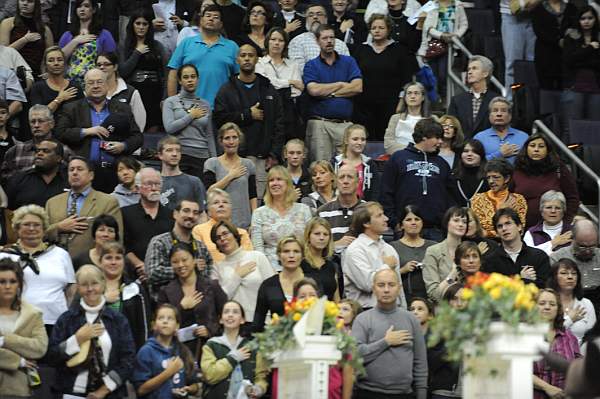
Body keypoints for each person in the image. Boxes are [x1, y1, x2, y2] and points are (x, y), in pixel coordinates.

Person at [47, 265, 136, 399]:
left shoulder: (118, 320)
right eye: (84, 285)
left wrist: (102, 391)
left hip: (110, 394)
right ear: (78, 287)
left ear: (103, 284)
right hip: (70, 393)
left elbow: (128, 360)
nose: (90, 289)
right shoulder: (66, 319)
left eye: (94, 283)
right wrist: (76, 339)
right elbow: (52, 357)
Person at [214, 44, 284, 202]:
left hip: (262, 157)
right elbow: (219, 120)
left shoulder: (268, 89)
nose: (247, 58)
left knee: (259, 201)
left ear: (257, 59)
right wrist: (247, 115)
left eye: (251, 55)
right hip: (234, 157)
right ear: (237, 60)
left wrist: (274, 153)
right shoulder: (226, 90)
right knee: (232, 201)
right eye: (243, 55)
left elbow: (279, 124)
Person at [54, 68, 143, 193]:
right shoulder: (72, 108)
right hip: (84, 173)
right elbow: (60, 133)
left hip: (115, 173)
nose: (95, 86)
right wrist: (86, 131)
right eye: (91, 83)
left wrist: (123, 146)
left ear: (107, 85)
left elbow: (137, 137)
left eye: (99, 82)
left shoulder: (122, 108)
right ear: (84, 86)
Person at [351, 268, 428, 399]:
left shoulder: (411, 320)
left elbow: (420, 362)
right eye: (381, 285)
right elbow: (354, 357)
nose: (386, 290)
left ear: (399, 288)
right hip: (368, 393)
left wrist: (421, 394)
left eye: (391, 285)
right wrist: (386, 342)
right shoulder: (362, 319)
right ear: (373, 288)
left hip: (404, 394)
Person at [380, 117, 452, 241]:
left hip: (435, 230)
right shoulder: (398, 158)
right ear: (425, 137)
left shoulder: (442, 163)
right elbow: (386, 192)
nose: (440, 142)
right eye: (437, 137)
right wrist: (394, 221)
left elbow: (449, 196)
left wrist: (443, 222)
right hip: (404, 227)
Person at [353, 14, 418, 142]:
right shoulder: (361, 50)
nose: (377, 30)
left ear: (388, 29)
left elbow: (406, 79)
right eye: (374, 28)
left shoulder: (400, 50)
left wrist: (401, 101)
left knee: (387, 138)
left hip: (391, 104)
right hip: (364, 105)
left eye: (381, 28)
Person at [303, 24, 362, 163]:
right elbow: (314, 90)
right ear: (317, 41)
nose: (329, 41)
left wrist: (332, 94)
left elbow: (358, 87)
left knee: (348, 167)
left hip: (345, 125)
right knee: (321, 168)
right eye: (325, 38)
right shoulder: (311, 65)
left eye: (332, 37)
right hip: (320, 124)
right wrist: (340, 84)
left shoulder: (348, 61)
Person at [45, 156, 123, 260]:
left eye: (80, 169)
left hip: (90, 264)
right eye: (71, 170)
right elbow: (41, 234)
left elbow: (116, 239)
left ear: (91, 175)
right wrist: (59, 227)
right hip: (55, 263)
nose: (75, 173)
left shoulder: (108, 202)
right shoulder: (52, 202)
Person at [157, 243, 227, 355]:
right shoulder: (165, 291)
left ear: (194, 260)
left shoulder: (212, 286)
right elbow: (161, 325)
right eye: (175, 262)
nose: (180, 265)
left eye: (184, 260)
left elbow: (226, 314)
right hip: (179, 351)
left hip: (212, 349)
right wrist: (181, 307)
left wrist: (211, 330)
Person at [167, 5, 239, 108]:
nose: (211, 19)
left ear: (221, 24)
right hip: (189, 107)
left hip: (223, 109)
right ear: (201, 20)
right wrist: (172, 104)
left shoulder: (232, 47)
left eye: (216, 17)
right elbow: (173, 74)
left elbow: (240, 78)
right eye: (208, 15)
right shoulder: (186, 43)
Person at [146, 199, 214, 301]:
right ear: (175, 214)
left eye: (195, 213)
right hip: (167, 307)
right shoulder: (160, 242)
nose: (191, 216)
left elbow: (208, 279)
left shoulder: (201, 248)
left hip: (198, 305)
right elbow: (152, 274)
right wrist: (189, 268)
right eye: (186, 211)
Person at [0, 258, 48, 399]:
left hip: (17, 388)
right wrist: (18, 361)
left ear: (19, 284)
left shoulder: (33, 314)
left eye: (13, 281)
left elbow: (40, 348)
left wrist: (5, 340)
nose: (7, 286)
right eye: (2, 282)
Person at [202, 300, 269, 398]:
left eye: (235, 312)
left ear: (242, 320)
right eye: (226, 312)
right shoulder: (211, 345)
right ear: (220, 319)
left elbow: (261, 376)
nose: (230, 315)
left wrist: (259, 388)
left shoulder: (253, 346)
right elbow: (209, 375)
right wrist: (232, 358)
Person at [342, 202, 402, 309]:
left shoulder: (389, 248)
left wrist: (403, 311)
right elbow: (367, 284)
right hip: (365, 312)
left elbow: (398, 287)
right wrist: (387, 266)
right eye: (379, 215)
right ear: (366, 223)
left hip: (393, 310)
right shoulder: (355, 250)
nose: (386, 218)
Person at [251, 166, 312, 270]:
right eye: (271, 180)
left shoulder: (304, 210)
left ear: (288, 183)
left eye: (279, 179)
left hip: (301, 267)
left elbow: (309, 243)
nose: (275, 183)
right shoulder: (259, 213)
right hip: (270, 268)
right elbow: (258, 249)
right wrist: (268, 271)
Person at [133, 303, 200, 398]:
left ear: (177, 326)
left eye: (170, 318)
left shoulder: (183, 350)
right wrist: (169, 372)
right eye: (161, 318)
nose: (165, 321)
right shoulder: (146, 351)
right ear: (154, 325)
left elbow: (195, 384)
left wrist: (190, 389)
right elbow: (141, 390)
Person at [211, 220, 275, 320]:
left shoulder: (257, 256)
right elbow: (220, 300)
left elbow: (273, 290)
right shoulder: (217, 268)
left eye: (225, 234)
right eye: (218, 238)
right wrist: (237, 276)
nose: (222, 239)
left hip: (264, 321)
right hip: (234, 325)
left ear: (235, 235)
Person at [513, 133, 579, 228]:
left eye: (541, 146)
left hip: (554, 228)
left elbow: (572, 198)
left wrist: (566, 222)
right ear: (526, 149)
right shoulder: (517, 169)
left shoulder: (559, 169)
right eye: (532, 146)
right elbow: (508, 196)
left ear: (548, 150)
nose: (536, 149)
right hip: (522, 228)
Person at [163, 64, 216, 179]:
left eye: (193, 77)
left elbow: (209, 135)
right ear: (180, 81)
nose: (190, 80)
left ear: (197, 79)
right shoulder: (170, 102)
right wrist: (191, 116)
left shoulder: (205, 104)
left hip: (202, 156)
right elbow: (169, 128)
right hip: (179, 155)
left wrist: (214, 161)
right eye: (186, 77)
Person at [97, 241, 151, 350]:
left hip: (127, 352)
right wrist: (103, 300)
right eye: (108, 258)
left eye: (118, 258)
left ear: (124, 261)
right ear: (100, 262)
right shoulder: (92, 289)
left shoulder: (135, 290)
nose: (113, 262)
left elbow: (144, 328)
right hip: (97, 351)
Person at [119, 9, 167, 131]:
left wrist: (165, 97)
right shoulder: (124, 46)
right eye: (138, 23)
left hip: (155, 95)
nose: (141, 27)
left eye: (145, 24)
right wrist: (137, 53)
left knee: (153, 131)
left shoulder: (157, 46)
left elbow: (166, 74)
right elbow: (123, 72)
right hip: (134, 93)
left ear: (149, 26)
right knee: (134, 130)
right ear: (132, 25)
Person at [203, 123, 257, 229]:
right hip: (219, 225)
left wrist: (254, 221)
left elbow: (253, 195)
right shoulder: (212, 163)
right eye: (227, 138)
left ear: (239, 140)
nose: (231, 142)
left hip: (244, 223)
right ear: (221, 141)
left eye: (234, 137)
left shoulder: (248, 164)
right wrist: (230, 176)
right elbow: (209, 192)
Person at [255, 27, 305, 142]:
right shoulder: (259, 63)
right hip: (267, 109)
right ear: (267, 42)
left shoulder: (293, 65)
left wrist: (277, 84)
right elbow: (265, 84)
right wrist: (290, 82)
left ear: (285, 44)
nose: (277, 43)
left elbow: (298, 90)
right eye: (273, 39)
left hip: (289, 111)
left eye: (281, 40)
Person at [122, 168, 174, 275]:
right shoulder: (125, 213)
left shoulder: (172, 215)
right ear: (137, 188)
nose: (154, 188)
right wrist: (139, 265)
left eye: (157, 184)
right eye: (149, 184)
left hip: (167, 273)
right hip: (135, 273)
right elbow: (124, 245)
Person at [483, 208, 552, 288]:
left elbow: (545, 288)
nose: (504, 229)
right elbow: (492, 292)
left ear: (519, 227)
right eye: (499, 226)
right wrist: (522, 279)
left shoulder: (539, 256)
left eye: (508, 223)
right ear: (497, 233)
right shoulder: (490, 261)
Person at [533, 288, 581, 399]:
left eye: (552, 304)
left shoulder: (569, 336)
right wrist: (547, 387)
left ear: (558, 309)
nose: (547, 307)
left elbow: (578, 367)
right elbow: (519, 370)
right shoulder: (525, 335)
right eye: (542, 303)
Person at [562, 6, 600, 139]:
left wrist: (581, 57)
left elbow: (596, 63)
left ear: (596, 19)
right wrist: (590, 48)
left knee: (594, 127)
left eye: (590, 18)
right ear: (578, 20)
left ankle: (590, 159)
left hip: (596, 89)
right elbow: (569, 60)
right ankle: (569, 158)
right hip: (574, 87)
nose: (586, 21)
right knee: (572, 128)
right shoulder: (571, 37)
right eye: (583, 18)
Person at [417, 0, 468, 99]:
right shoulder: (431, 5)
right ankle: (435, 101)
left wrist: (456, 35)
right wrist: (441, 35)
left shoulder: (458, 5)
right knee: (433, 76)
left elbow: (464, 24)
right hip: (433, 45)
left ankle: (444, 99)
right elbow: (427, 27)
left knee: (443, 75)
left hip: (449, 45)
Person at [58, 0, 117, 86]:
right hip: (69, 83)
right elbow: (59, 58)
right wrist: (75, 41)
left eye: (86, 6)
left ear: (93, 10)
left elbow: (111, 60)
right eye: (79, 6)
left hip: (95, 83)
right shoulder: (67, 35)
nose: (82, 9)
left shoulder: (104, 35)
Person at [252, 236, 304, 331]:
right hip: (278, 341)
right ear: (279, 255)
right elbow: (258, 322)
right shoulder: (268, 285)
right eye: (286, 251)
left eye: (296, 251)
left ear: (302, 256)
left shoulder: (312, 283)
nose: (291, 255)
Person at [390, 205, 437, 303]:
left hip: (429, 299)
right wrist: (403, 270)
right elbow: (384, 275)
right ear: (401, 225)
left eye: (417, 219)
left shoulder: (433, 247)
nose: (413, 223)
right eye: (408, 220)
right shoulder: (392, 248)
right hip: (402, 298)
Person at [471, 158, 527, 238]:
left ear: (507, 178)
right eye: (488, 177)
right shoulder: (478, 199)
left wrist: (488, 233)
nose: (491, 181)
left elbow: (519, 229)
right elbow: (478, 229)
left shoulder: (518, 199)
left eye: (495, 177)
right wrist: (500, 211)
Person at [192, 188, 253, 262]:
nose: (221, 205)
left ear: (231, 209)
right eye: (216, 202)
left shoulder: (242, 233)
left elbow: (249, 258)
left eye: (225, 202)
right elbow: (199, 259)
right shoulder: (199, 230)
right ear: (208, 211)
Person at [6, 137, 68, 210]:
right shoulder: (20, 178)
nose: (39, 154)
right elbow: (8, 210)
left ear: (58, 158)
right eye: (37, 151)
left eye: (46, 151)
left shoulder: (68, 180)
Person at [422, 206, 468, 302]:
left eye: (464, 222)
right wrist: (453, 272)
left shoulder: (469, 251)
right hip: (443, 309)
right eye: (456, 220)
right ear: (447, 223)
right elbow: (433, 294)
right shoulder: (433, 251)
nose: (461, 224)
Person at [550, 219, 600, 308]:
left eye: (592, 246)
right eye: (582, 246)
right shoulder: (557, 258)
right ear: (572, 239)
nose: (588, 251)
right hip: (569, 303)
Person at [547, 258, 597, 346]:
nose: (570, 277)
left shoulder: (586, 304)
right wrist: (569, 320)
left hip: (580, 355)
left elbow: (592, 337)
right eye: (564, 273)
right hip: (552, 354)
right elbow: (547, 337)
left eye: (574, 273)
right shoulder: (547, 303)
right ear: (554, 277)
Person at [448, 55, 499, 138]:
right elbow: (452, 127)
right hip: (462, 148)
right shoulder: (457, 100)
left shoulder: (496, 100)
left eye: (474, 68)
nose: (469, 72)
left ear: (485, 73)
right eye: (469, 69)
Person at [288, 4, 350, 72]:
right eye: (311, 15)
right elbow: (298, 70)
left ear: (326, 18)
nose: (315, 17)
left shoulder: (340, 44)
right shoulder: (297, 41)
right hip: (308, 81)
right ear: (306, 20)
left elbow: (347, 69)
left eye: (319, 14)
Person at [0, 0, 53, 79]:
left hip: (37, 73)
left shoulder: (44, 29)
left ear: (36, 4)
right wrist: (24, 40)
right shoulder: (8, 23)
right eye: (22, 0)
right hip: (12, 72)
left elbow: (49, 55)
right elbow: (3, 53)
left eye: (30, 1)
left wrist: (47, 72)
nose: (25, 3)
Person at [531, 0, 577, 91]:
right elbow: (539, 31)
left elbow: (575, 27)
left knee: (564, 88)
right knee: (546, 88)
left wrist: (566, 40)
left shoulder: (572, 8)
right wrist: (557, 41)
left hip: (566, 54)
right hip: (545, 54)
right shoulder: (538, 9)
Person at [317, 163, 363, 252]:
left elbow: (376, 244)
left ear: (358, 183)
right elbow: (314, 247)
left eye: (350, 177)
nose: (345, 181)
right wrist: (335, 245)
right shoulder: (322, 212)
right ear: (336, 182)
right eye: (341, 177)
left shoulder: (368, 210)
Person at [96, 52, 146, 132]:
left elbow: (139, 123)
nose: (102, 67)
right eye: (99, 65)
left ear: (115, 67)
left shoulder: (131, 92)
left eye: (106, 64)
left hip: (124, 141)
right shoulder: (91, 92)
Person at [157, 135, 208, 213]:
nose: (174, 154)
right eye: (169, 150)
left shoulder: (194, 182)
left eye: (178, 150)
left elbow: (202, 213)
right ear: (160, 155)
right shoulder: (154, 183)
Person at [472, 97, 529, 164]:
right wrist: (500, 154)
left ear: (510, 116)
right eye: (495, 110)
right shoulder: (479, 138)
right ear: (489, 116)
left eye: (503, 111)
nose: (499, 114)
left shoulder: (524, 137)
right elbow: (474, 162)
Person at [332, 124, 379, 201]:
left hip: (364, 209)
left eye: (363, 139)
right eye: (355, 139)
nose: (360, 142)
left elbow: (375, 192)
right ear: (346, 140)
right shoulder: (335, 163)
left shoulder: (370, 164)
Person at [29, 46, 82, 113]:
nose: (56, 63)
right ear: (45, 65)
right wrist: (59, 99)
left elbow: (83, 114)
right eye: (51, 60)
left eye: (59, 60)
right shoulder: (38, 88)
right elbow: (39, 115)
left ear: (65, 63)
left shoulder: (75, 87)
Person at [301, 217, 340, 301]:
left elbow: (336, 298)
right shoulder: (299, 264)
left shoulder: (331, 266)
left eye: (325, 234)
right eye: (317, 234)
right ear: (308, 236)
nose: (322, 238)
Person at [524, 190, 573, 255]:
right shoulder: (531, 233)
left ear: (563, 211)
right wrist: (553, 243)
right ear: (541, 211)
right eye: (548, 207)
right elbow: (528, 257)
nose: (553, 211)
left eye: (558, 208)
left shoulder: (573, 231)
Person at [449, 139, 488, 208]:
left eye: (475, 152)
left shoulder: (488, 178)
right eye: (465, 151)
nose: (469, 154)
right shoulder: (453, 177)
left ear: (481, 156)